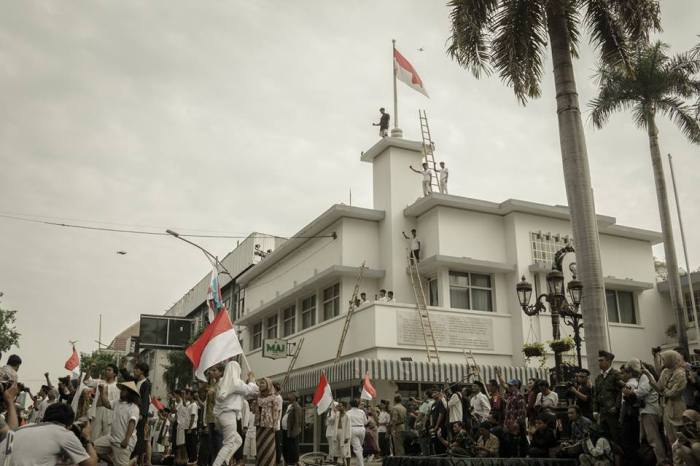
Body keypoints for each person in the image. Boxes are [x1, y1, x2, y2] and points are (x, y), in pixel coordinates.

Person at [10, 402, 97, 466]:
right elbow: (91, 464)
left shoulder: (23, 428)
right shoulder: (63, 433)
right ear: (69, 425)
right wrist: (87, 438)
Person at [211, 361, 259, 466]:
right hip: (228, 415)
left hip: (221, 416)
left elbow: (246, 394)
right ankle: (217, 464)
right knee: (228, 443)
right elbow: (251, 390)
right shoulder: (235, 382)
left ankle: (225, 460)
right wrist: (252, 379)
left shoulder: (222, 382)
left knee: (238, 440)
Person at [645, 349, 688, 450]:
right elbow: (659, 388)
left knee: (679, 439)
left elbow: (673, 393)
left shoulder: (680, 373)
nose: (663, 362)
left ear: (671, 359)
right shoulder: (665, 372)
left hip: (677, 407)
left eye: (664, 359)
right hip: (667, 408)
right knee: (670, 439)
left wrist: (664, 391)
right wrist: (648, 374)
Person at [93, 380, 141, 466]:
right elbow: (106, 404)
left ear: (130, 393)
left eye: (124, 390)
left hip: (122, 442)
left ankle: (133, 461)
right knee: (93, 448)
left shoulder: (134, 407)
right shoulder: (117, 402)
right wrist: (102, 392)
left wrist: (126, 440)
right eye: (122, 389)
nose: (121, 391)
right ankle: (118, 462)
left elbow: (132, 423)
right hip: (111, 438)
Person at [630, 358, 666, 465]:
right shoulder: (644, 377)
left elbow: (642, 391)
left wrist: (632, 391)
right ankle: (655, 460)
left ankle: (662, 461)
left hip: (649, 411)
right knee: (647, 439)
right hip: (646, 411)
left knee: (653, 439)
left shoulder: (645, 376)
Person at [593, 350, 623, 442]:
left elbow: (621, 392)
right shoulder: (599, 378)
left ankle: (619, 456)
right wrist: (595, 410)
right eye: (599, 360)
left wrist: (616, 406)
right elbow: (596, 395)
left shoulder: (616, 374)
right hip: (602, 413)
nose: (599, 363)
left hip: (613, 413)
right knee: (604, 437)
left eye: (601, 360)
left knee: (616, 436)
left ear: (609, 361)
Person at [255, 377, 280, 466]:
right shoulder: (258, 396)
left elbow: (276, 411)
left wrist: (275, 425)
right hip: (258, 425)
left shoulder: (274, 397)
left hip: (268, 425)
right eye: (260, 383)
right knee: (259, 445)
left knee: (268, 446)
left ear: (268, 385)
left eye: (263, 383)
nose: (261, 385)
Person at [92, 363, 120, 440]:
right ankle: (93, 450)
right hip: (98, 410)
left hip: (109, 412)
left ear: (114, 374)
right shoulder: (100, 382)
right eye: (106, 370)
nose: (106, 371)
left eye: (109, 370)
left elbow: (117, 403)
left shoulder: (117, 386)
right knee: (94, 434)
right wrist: (89, 369)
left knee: (107, 436)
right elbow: (87, 381)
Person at [347, 399, 367, 466]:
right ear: (358, 404)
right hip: (362, 429)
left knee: (357, 448)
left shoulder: (348, 412)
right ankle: (359, 463)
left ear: (350, 405)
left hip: (353, 429)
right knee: (359, 448)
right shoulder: (362, 412)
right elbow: (365, 422)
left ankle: (361, 464)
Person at [285, 392, 303, 466]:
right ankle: (290, 461)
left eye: (291, 395)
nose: (288, 396)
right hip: (288, 430)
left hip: (293, 431)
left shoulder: (296, 406)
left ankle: (294, 462)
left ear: (294, 397)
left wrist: (294, 431)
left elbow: (297, 420)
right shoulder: (290, 406)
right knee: (289, 447)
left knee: (293, 447)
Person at [272, 381, 283, 466]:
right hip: (271, 422)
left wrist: (276, 422)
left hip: (276, 424)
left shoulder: (278, 398)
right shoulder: (273, 396)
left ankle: (278, 460)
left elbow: (278, 411)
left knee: (277, 444)